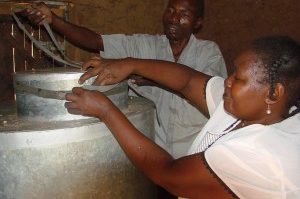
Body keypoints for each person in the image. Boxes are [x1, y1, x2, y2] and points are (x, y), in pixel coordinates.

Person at [65, 35, 300, 199]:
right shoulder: (257, 111)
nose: (226, 81)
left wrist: (106, 111)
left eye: (238, 79)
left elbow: (168, 174)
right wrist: (130, 64)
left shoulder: (261, 154)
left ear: (273, 93)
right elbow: (188, 81)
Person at [21, 0, 227, 160]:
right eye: (171, 10)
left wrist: (139, 70)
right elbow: (95, 41)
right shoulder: (144, 45)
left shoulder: (208, 53)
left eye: (184, 14)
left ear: (198, 22)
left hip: (197, 156)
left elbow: (201, 92)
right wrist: (54, 20)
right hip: (157, 158)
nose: (174, 18)